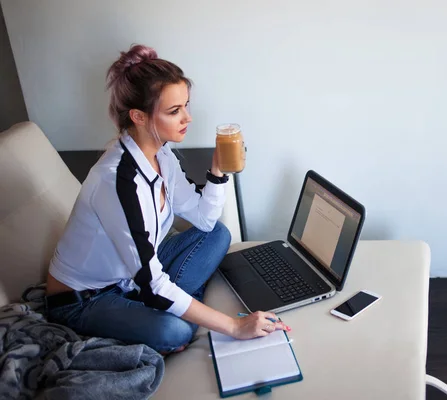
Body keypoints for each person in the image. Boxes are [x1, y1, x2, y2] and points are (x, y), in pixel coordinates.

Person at [44, 44, 290, 354]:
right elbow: (152, 282)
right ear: (139, 116)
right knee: (175, 332)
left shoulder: (162, 154)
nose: (188, 118)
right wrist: (234, 326)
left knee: (218, 234)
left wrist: (217, 170)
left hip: (132, 280)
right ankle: (172, 312)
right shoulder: (119, 183)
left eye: (186, 105)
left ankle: (169, 308)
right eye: (174, 111)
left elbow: (204, 220)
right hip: (87, 298)